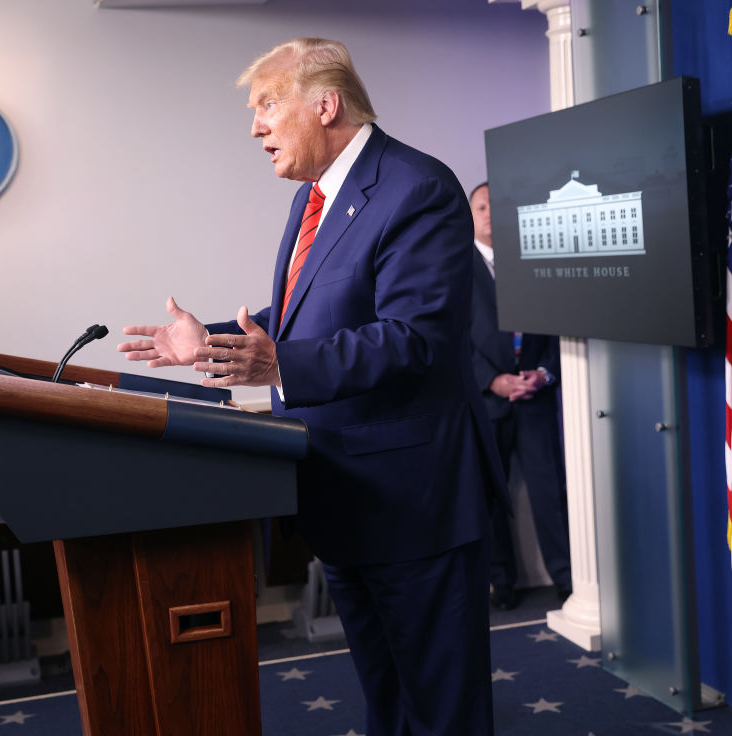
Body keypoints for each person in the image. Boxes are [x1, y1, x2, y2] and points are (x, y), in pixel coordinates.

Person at [118, 38, 507, 736]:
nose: (255, 126)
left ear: (325, 104)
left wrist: (281, 368)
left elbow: (414, 336)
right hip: (346, 496)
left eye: (267, 105)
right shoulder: (314, 199)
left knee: (442, 709)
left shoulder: (415, 186)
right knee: (387, 698)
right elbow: (304, 316)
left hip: (416, 504)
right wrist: (210, 340)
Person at [468, 182, 572, 609]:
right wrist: (491, 381)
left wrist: (546, 373)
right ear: (470, 215)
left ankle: (568, 580)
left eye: (497, 205)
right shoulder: (455, 266)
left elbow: (561, 325)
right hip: (487, 399)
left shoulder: (536, 258)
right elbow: (452, 338)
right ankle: (500, 582)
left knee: (551, 491)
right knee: (489, 497)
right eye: (481, 206)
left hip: (537, 394)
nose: (490, 213)